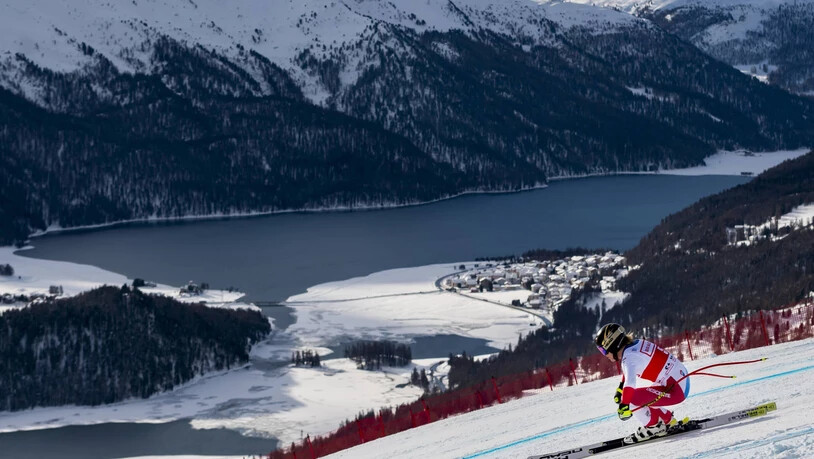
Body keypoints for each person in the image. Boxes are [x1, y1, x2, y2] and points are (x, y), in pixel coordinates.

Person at [595, 323, 691, 443]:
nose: (604, 355)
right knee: (642, 396)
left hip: (676, 389)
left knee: (631, 399)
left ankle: (654, 427)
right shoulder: (635, 345)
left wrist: (624, 406)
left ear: (613, 345)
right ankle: (667, 420)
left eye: (603, 350)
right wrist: (620, 388)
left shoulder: (628, 358)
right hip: (678, 380)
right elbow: (629, 372)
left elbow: (630, 384)